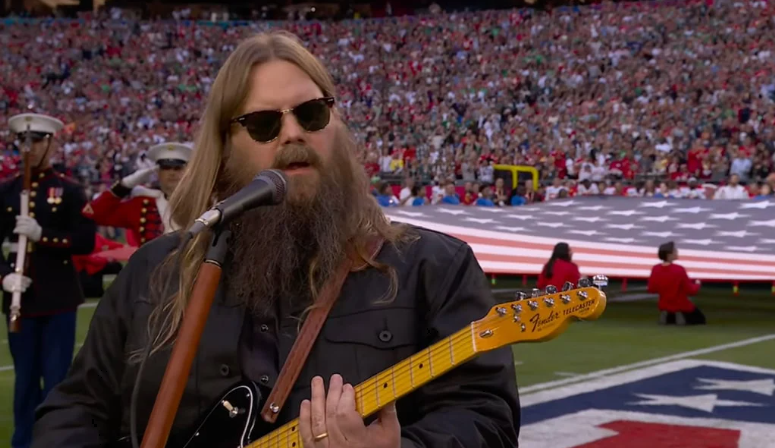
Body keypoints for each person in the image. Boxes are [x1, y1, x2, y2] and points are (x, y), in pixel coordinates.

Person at [32, 32, 520, 448]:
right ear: (225, 147)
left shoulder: (433, 268)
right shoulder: (153, 272)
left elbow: (486, 417)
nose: (293, 132)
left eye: (311, 114)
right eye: (264, 123)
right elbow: (76, 410)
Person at [0, 112, 96, 448]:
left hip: (58, 299)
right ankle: (23, 442)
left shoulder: (69, 190)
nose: (31, 148)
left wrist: (44, 235)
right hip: (20, 300)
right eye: (24, 142)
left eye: (37, 141)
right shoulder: (8, 191)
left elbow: (86, 240)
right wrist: (5, 277)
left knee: (56, 381)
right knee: (24, 382)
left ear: (50, 143)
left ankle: (54, 442)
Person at [81, 142, 192, 246]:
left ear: (187, 172)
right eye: (166, 168)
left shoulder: (199, 200)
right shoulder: (142, 203)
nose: (172, 173)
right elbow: (94, 214)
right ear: (157, 172)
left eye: (178, 168)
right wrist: (126, 184)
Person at [647, 241, 705, 325]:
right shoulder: (679, 269)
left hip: (664, 305)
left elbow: (651, 288)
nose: (677, 251)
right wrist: (698, 283)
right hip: (681, 305)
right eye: (675, 250)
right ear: (669, 255)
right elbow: (691, 290)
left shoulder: (655, 269)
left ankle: (669, 316)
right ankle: (680, 316)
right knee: (700, 319)